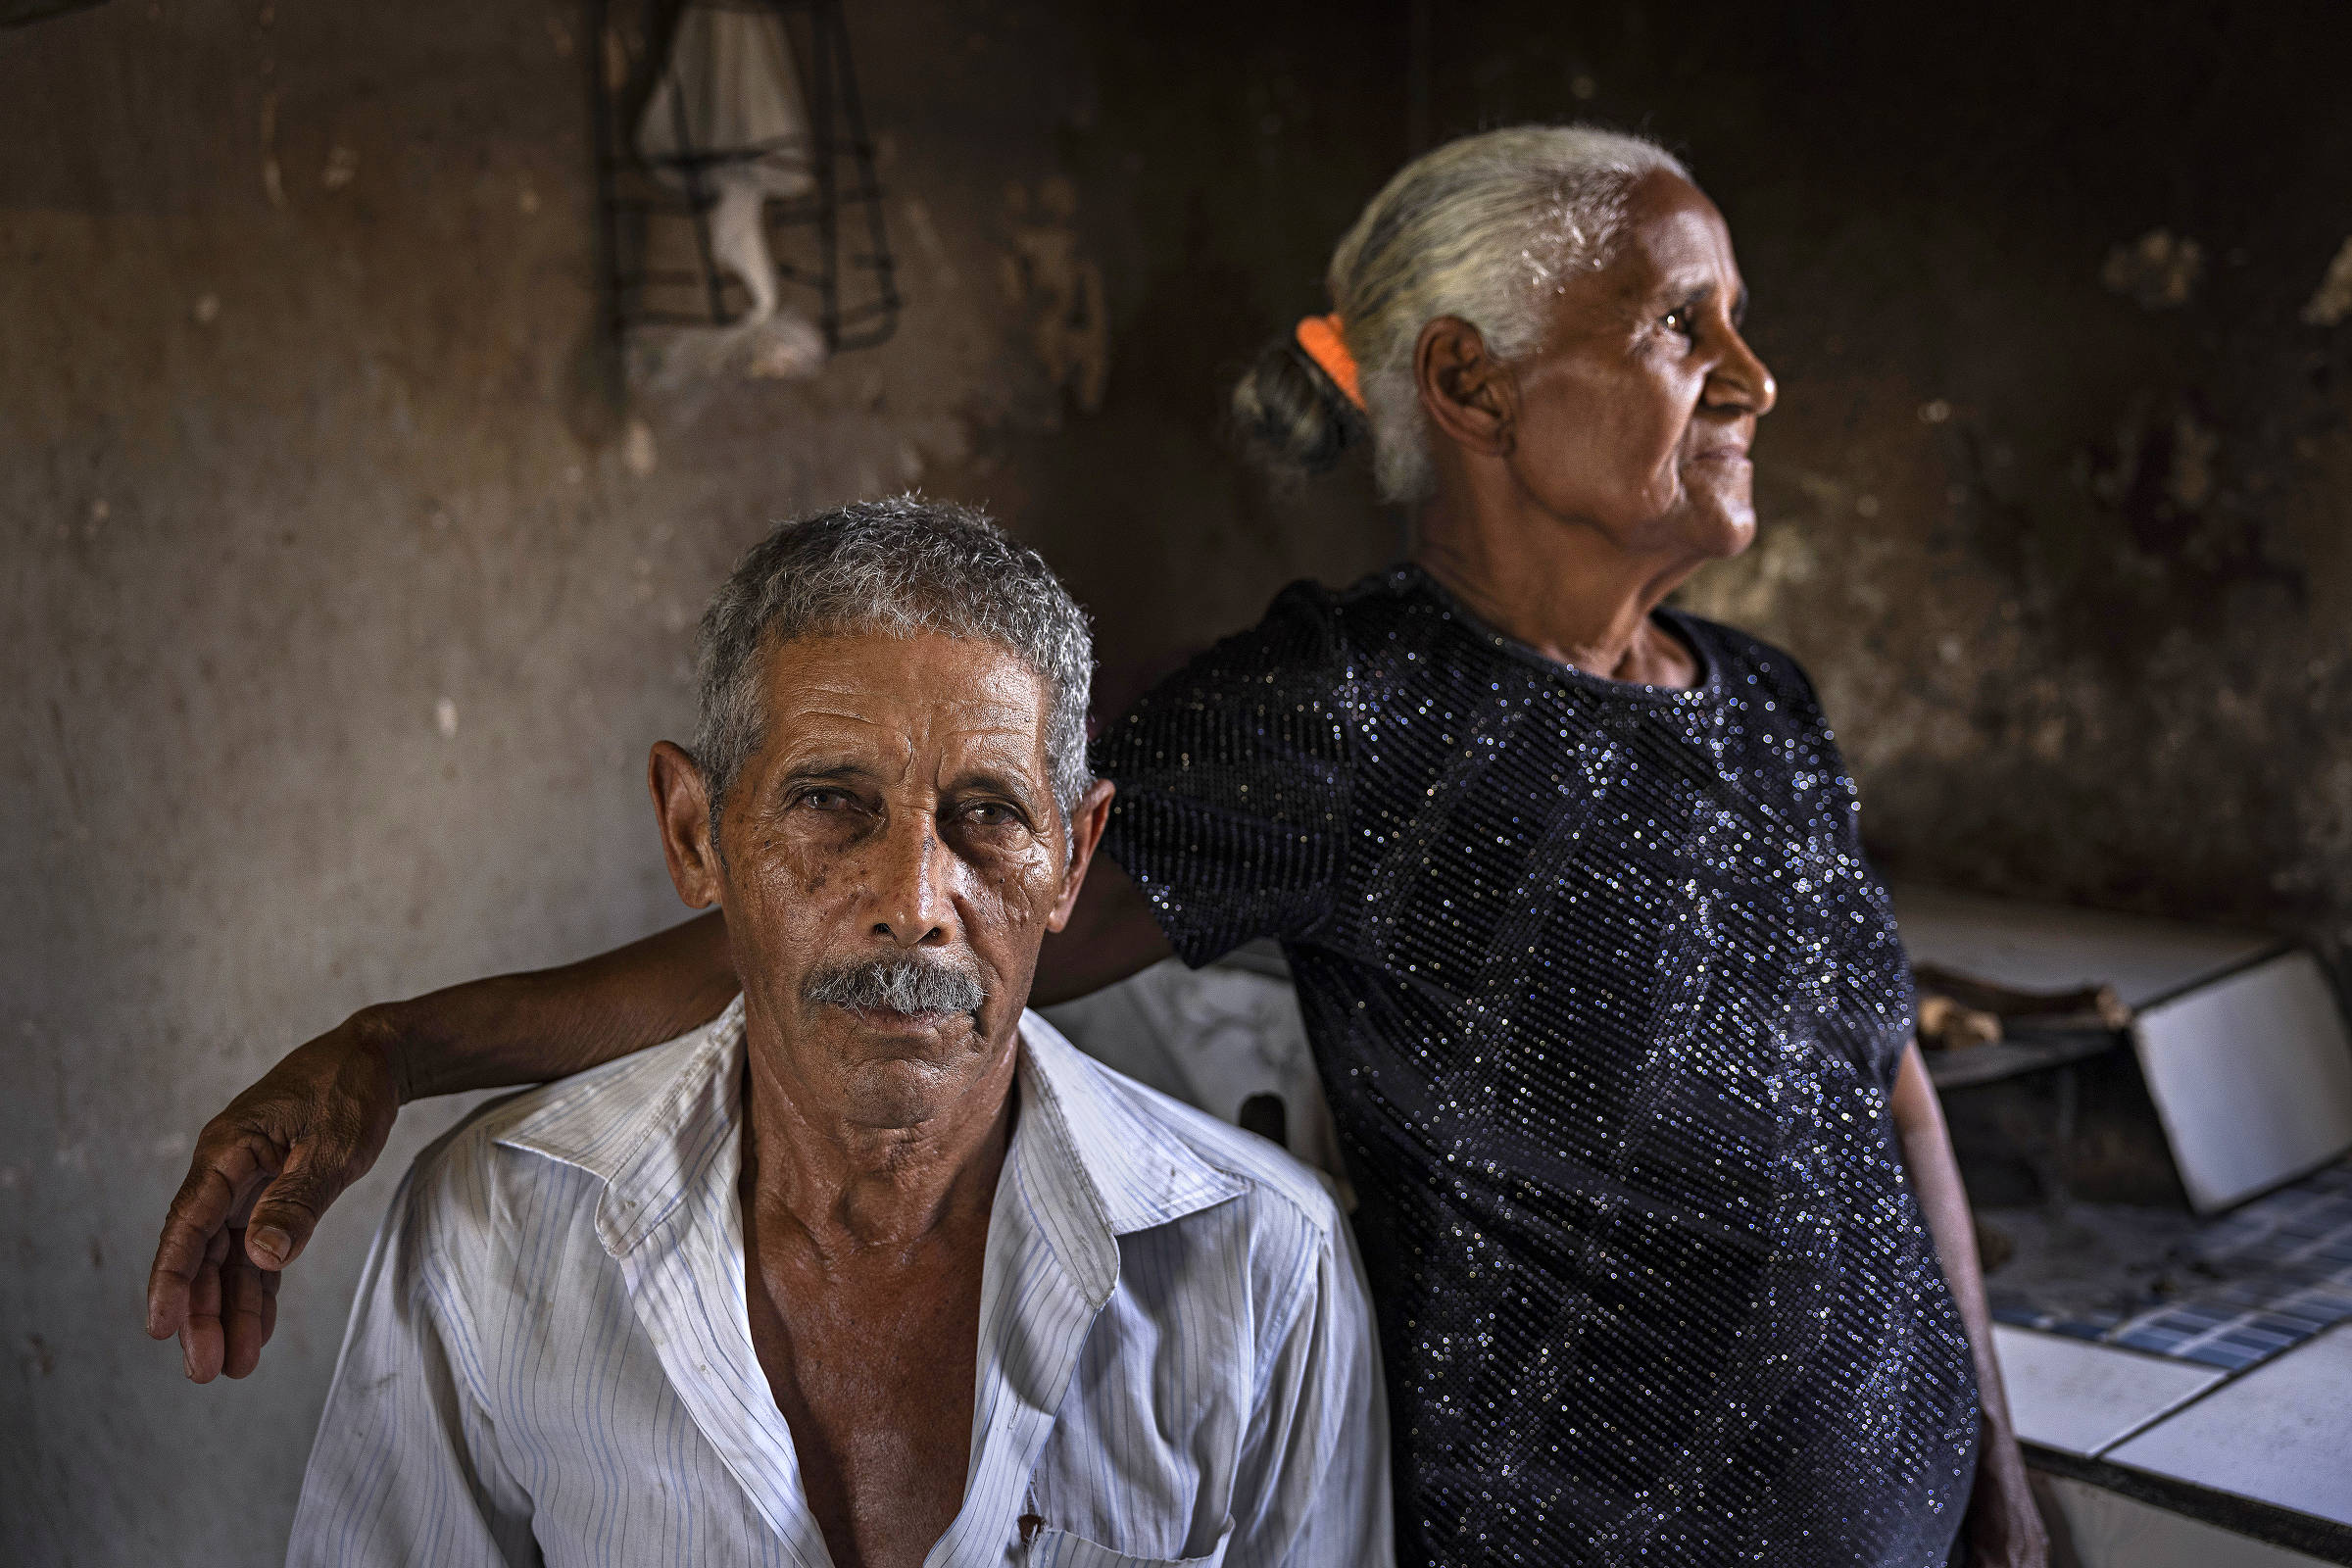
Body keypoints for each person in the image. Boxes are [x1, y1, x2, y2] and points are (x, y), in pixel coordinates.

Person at [153, 126, 2046, 1567]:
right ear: (1468, 388)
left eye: (1736, 319)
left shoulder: (1759, 700)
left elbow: (1887, 1090)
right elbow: (891, 949)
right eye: (1677, 325)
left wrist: (1998, 1470)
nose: (1749, 373)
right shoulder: (1348, 716)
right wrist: (405, 1048)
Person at [284, 503, 1391, 1568]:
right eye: (829, 801)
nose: (914, 897)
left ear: (1076, 854)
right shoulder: (498, 1230)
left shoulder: (1260, 1267)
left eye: (990, 813)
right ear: (693, 832)